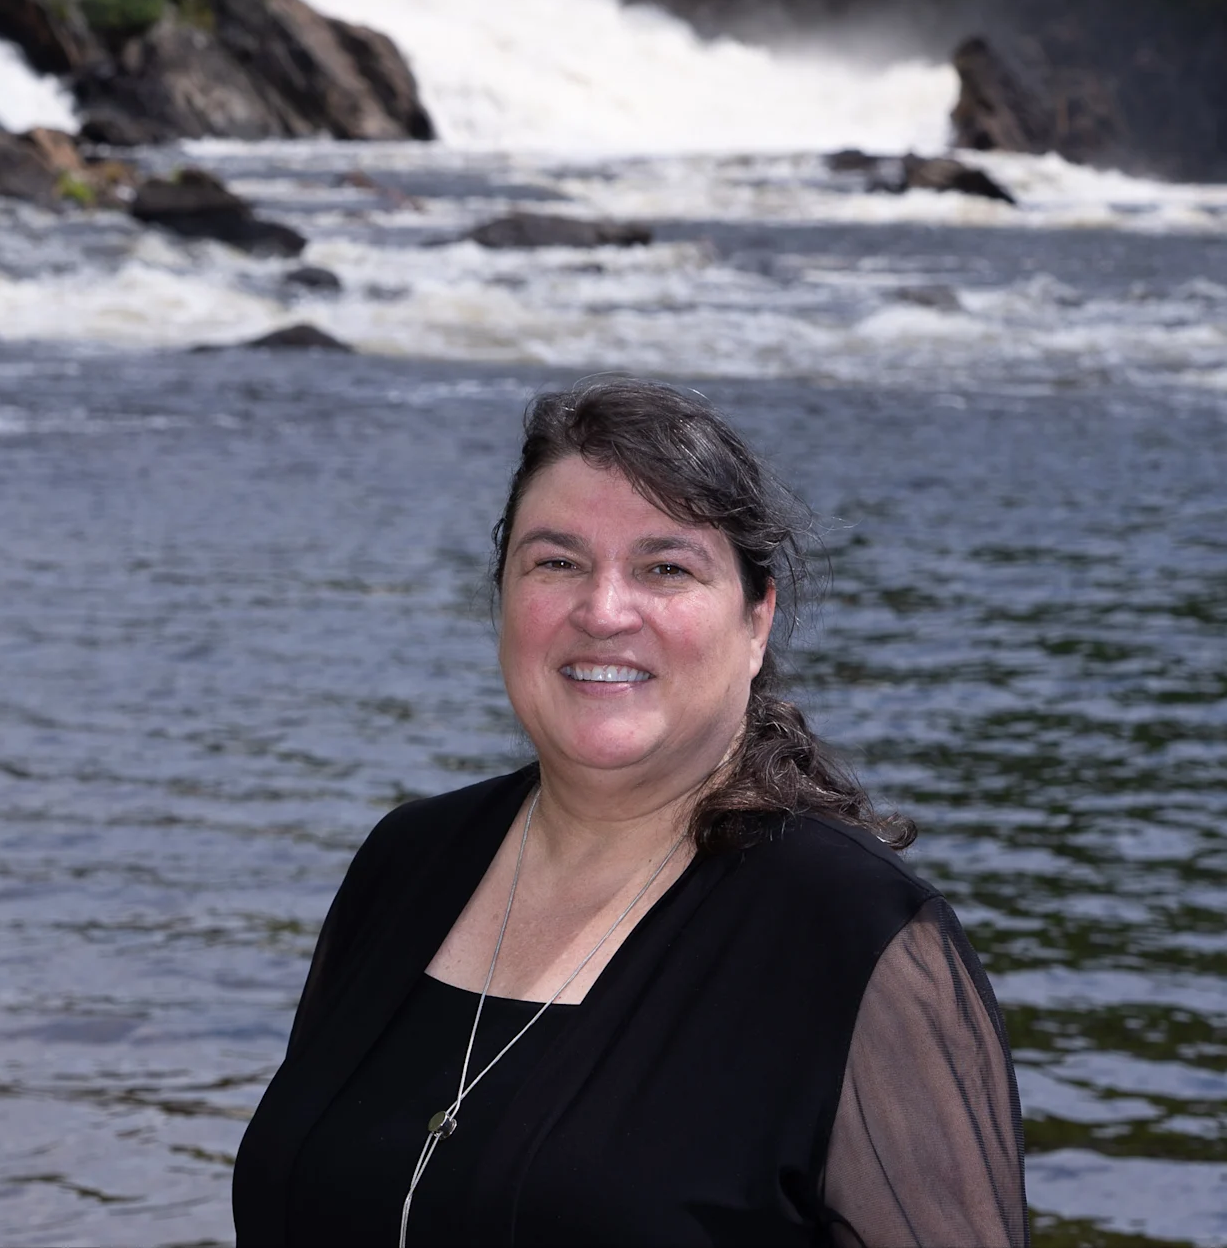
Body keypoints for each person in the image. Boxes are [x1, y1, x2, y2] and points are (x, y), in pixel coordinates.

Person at [233, 377, 1027, 1247]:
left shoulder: (857, 937)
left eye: (665, 567)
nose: (603, 611)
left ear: (757, 619)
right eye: (557, 562)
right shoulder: (404, 861)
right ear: (503, 595)